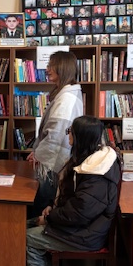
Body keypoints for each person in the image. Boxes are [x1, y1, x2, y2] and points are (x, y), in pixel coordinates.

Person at [25, 115, 122, 266]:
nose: (68, 135)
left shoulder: (97, 173)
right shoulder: (88, 158)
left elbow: (79, 212)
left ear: (80, 137)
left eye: (71, 132)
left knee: (26, 238)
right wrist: (52, 208)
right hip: (78, 226)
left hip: (85, 234)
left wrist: (50, 218)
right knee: (24, 223)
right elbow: (70, 195)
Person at [27, 51, 83, 219]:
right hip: (54, 162)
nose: (47, 69)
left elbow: (56, 136)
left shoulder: (66, 98)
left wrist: (38, 154)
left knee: (40, 206)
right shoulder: (67, 93)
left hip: (52, 165)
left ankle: (32, 234)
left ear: (62, 68)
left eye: (51, 66)